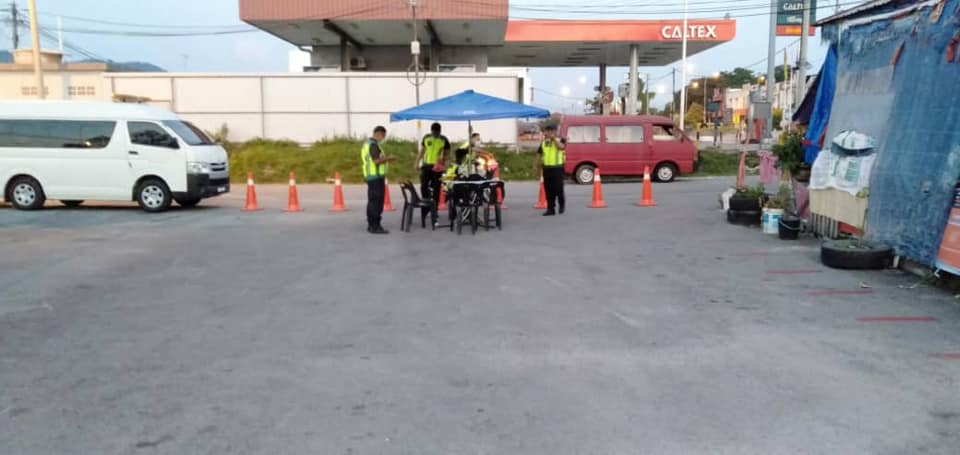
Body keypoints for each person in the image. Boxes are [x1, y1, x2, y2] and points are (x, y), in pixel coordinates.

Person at [361, 126, 395, 235]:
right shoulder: (373, 145)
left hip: (371, 176)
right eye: (383, 136)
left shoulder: (367, 144)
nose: (383, 138)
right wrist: (388, 158)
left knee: (372, 201)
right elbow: (376, 161)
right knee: (377, 202)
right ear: (379, 134)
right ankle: (375, 226)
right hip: (376, 177)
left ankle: (371, 225)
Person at [416, 122, 451, 203]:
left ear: (440, 131)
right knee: (423, 186)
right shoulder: (426, 138)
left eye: (437, 133)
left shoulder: (444, 139)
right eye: (434, 132)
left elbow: (447, 154)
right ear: (431, 131)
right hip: (426, 165)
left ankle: (434, 206)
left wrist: (445, 164)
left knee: (436, 187)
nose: (435, 134)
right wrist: (417, 162)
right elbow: (422, 151)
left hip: (437, 167)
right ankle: (426, 203)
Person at [536, 125, 566, 216]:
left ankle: (561, 205)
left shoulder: (561, 140)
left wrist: (554, 139)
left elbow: (561, 147)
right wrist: (536, 166)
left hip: (557, 168)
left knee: (558, 188)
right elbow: (539, 154)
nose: (549, 133)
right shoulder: (544, 142)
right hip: (547, 168)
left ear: (555, 131)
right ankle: (550, 209)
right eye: (547, 131)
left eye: (551, 131)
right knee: (548, 190)